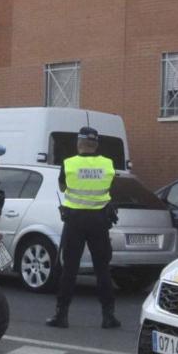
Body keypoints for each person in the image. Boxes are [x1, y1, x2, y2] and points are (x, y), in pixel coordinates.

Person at [46, 127, 119, 329]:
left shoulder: (69, 163)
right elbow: (110, 186)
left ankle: (61, 316)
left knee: (69, 269)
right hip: (99, 221)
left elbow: (62, 187)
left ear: (79, 143)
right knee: (102, 269)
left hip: (75, 221)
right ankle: (108, 316)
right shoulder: (107, 164)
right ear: (96, 144)